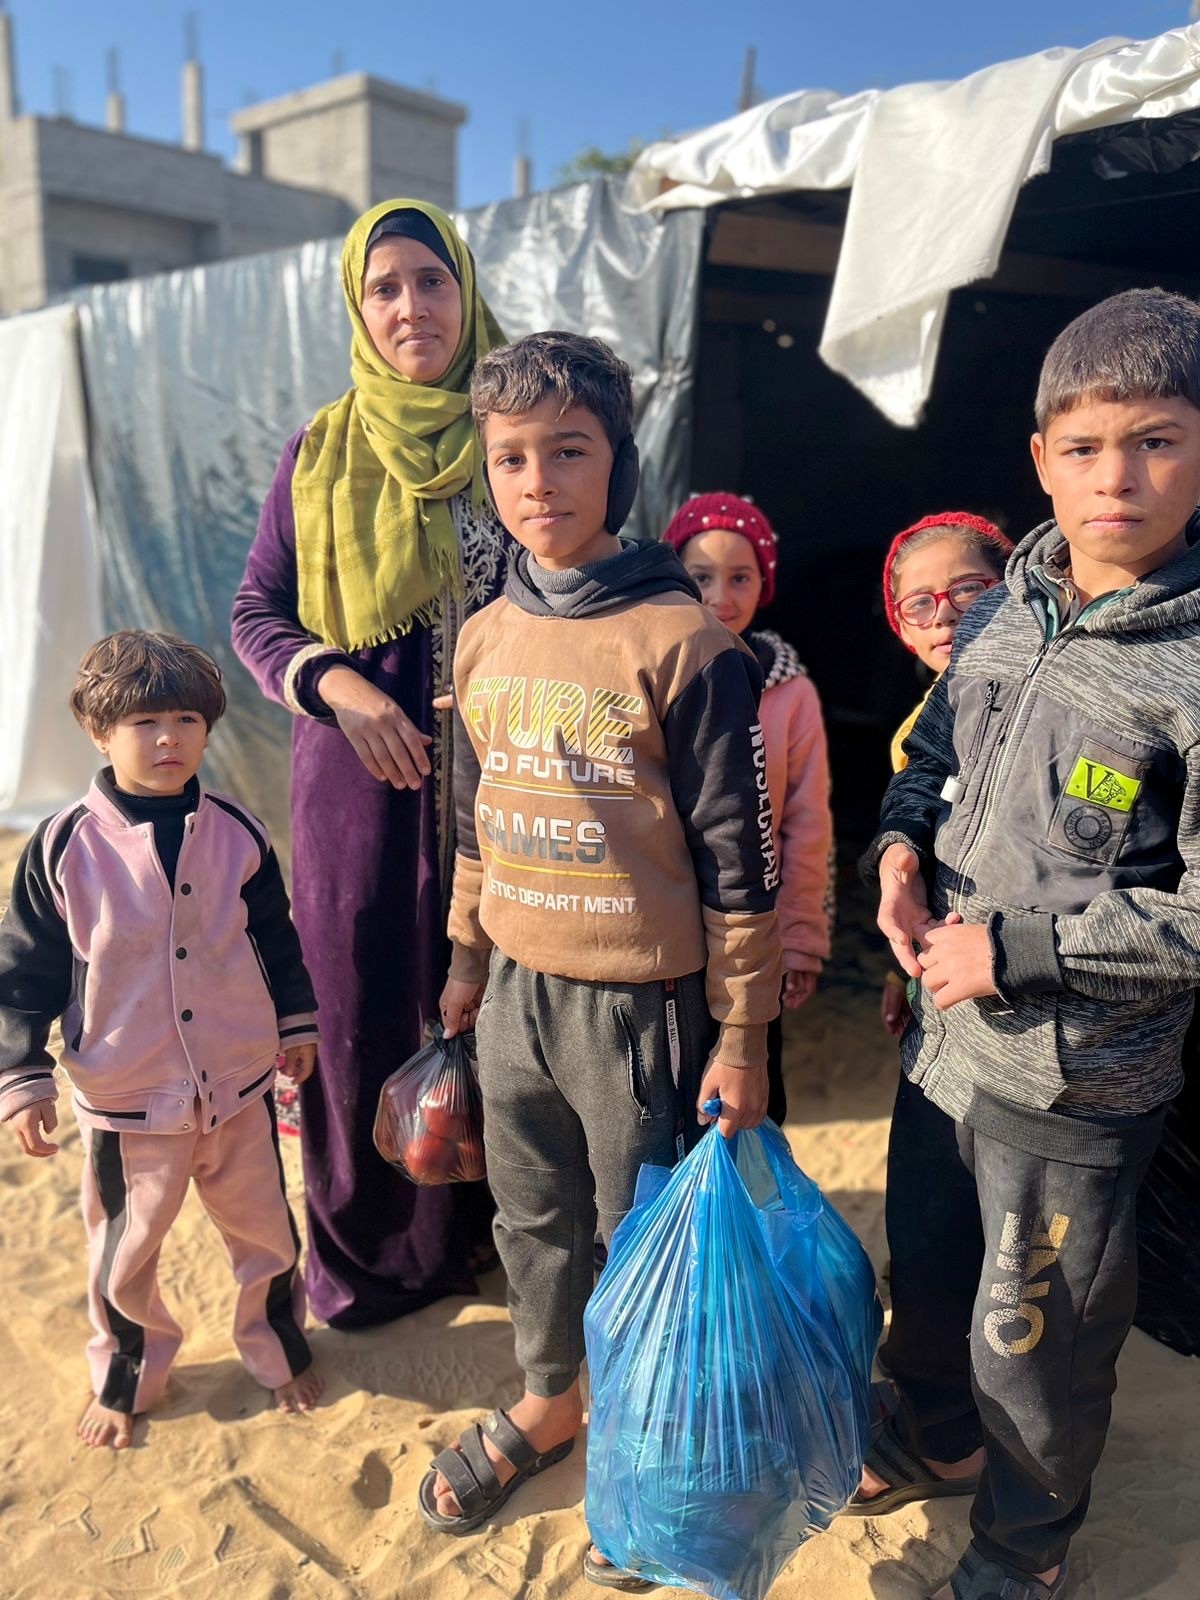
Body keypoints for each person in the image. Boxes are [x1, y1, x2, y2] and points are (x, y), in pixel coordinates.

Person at [419, 331, 781, 1590]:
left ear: (618, 463)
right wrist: (467, 963)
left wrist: (739, 1035)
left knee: (645, 1237)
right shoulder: (482, 634)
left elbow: (742, 863)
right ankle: (550, 1398)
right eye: (510, 458)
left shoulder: (684, 640)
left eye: (568, 452)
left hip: (639, 1005)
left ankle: (645, 1443)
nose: (537, 482)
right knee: (530, 1215)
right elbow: (470, 817)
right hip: (512, 993)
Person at [855, 286, 1200, 1600]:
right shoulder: (1009, 607)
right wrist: (897, 848)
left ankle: (1021, 1550)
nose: (1117, 476)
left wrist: (1017, 952)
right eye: (1086, 445)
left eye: (1157, 439)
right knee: (932, 1278)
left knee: (1036, 1339)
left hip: (1075, 1083)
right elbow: (937, 752)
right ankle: (931, 1435)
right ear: (1040, 458)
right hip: (942, 1043)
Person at [232, 200, 507, 1329]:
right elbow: (257, 613)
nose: (412, 309)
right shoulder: (319, 453)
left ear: (466, 289)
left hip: (504, 789)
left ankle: (484, 1242)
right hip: (357, 791)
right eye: (385, 288)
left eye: (431, 282)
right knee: (358, 1005)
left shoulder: (518, 428)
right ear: (358, 305)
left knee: (494, 1007)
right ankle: (367, 1257)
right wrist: (340, 686)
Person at [0, 631, 321, 1450]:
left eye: (185, 718)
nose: (169, 738)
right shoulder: (63, 847)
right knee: (125, 1255)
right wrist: (22, 1077)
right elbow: (25, 972)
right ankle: (126, 1378)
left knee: (265, 1234)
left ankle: (278, 1349)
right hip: (126, 1100)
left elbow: (275, 940)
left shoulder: (240, 832)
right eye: (145, 722)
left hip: (240, 1085)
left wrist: (295, 1026)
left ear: (210, 727)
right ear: (97, 730)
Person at [664, 492, 832, 1123]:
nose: (720, 595)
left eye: (740, 577)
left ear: (766, 582)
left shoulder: (790, 692)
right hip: (665, 940)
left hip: (754, 947)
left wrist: (799, 941)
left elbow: (806, 825)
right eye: (700, 577)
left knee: (746, 1108)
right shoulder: (653, 669)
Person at [879, 514, 1013, 1037]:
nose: (945, 615)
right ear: (904, 629)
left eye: (969, 590)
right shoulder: (916, 727)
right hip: (940, 958)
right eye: (919, 602)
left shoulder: (1043, 705)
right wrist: (900, 967)